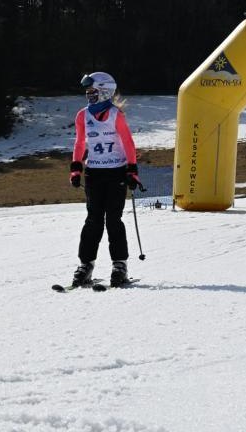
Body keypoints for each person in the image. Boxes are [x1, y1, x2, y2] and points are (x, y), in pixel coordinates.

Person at [69, 71, 141, 287]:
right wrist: (76, 169)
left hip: (116, 173)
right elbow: (80, 144)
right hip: (94, 174)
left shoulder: (116, 115)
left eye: (92, 91)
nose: (89, 96)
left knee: (113, 220)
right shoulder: (82, 116)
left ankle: (120, 264)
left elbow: (128, 143)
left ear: (104, 91)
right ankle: (86, 265)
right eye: (87, 92)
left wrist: (132, 171)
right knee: (93, 221)